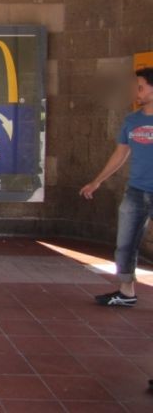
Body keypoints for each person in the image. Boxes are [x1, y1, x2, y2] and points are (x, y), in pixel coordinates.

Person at [81, 68, 153, 307]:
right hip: (136, 191)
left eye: (141, 87)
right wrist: (97, 180)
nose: (136, 92)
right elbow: (120, 153)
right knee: (125, 243)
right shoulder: (132, 120)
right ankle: (126, 291)